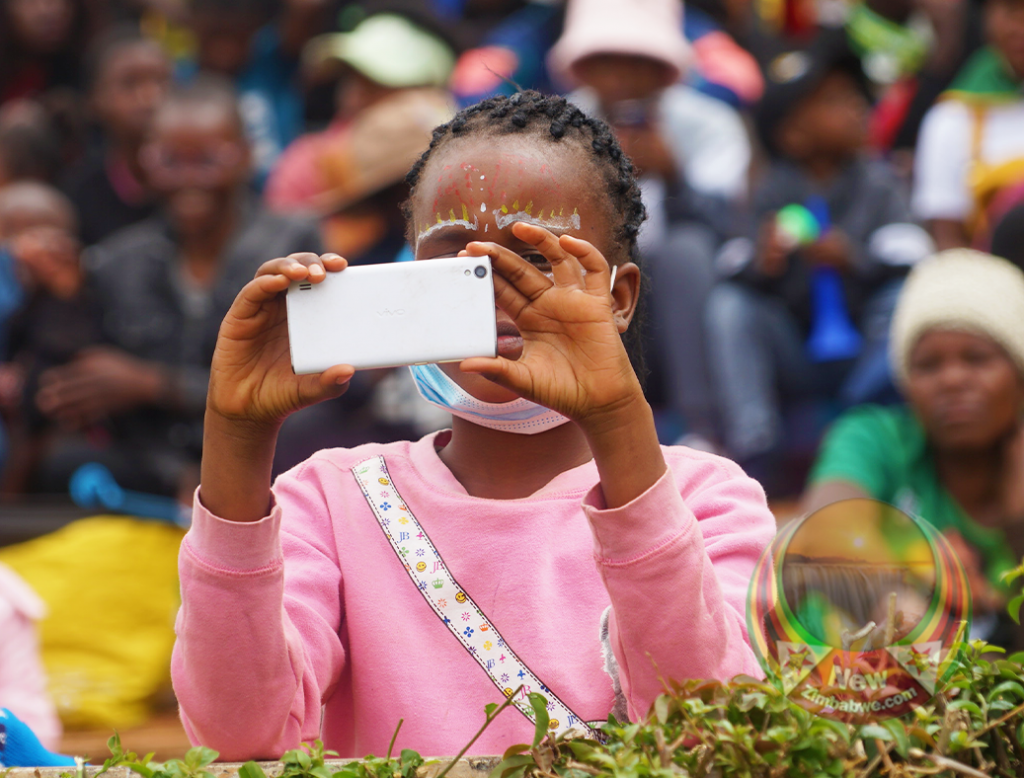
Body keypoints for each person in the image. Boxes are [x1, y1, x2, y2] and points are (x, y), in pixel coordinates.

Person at [170, 91, 776, 760]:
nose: (493, 290)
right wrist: (237, 438)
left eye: (535, 260)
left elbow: (712, 737)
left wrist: (616, 418)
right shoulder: (329, 503)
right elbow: (239, 735)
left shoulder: (707, 502)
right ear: (405, 278)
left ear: (620, 298)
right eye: (457, 263)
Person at [31, 78, 321, 498]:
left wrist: (152, 384)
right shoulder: (117, 260)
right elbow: (74, 383)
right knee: (63, 462)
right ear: (147, 161)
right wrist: (63, 297)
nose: (189, 179)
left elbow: (300, 385)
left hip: (266, 452)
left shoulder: (292, 244)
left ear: (244, 156)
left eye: (207, 160)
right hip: (156, 468)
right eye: (170, 161)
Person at [705, 31, 933, 485]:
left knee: (903, 298)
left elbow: (913, 252)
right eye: (834, 100)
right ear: (793, 134)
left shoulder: (878, 181)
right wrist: (763, 261)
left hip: (863, 348)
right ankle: (755, 440)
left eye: (856, 97)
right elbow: (731, 261)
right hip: (798, 345)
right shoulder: (772, 187)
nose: (856, 108)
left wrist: (853, 257)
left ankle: (860, 417)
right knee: (731, 306)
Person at [547, 0, 752, 446]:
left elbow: (729, 228)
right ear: (583, 66)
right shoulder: (558, 125)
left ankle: (702, 428)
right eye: (606, 60)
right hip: (593, 279)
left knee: (685, 251)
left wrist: (674, 176)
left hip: (688, 298)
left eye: (636, 60)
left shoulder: (710, 123)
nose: (621, 75)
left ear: (663, 68)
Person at [804, 249, 1024, 650]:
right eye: (928, 365)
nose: (953, 380)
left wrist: (1017, 522)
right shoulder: (873, 437)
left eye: (977, 359)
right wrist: (896, 602)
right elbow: (826, 527)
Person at [265, 12, 456, 213]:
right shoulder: (306, 163)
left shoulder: (458, 151)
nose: (355, 95)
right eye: (352, 78)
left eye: (376, 84)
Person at [912, 0, 1024, 250]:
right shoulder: (952, 118)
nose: (1020, 26)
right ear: (986, 16)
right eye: (1011, 10)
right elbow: (947, 239)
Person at [63, 27, 172, 247]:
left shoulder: (200, 184)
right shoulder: (77, 196)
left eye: (161, 81)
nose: (150, 96)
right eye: (130, 83)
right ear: (94, 100)